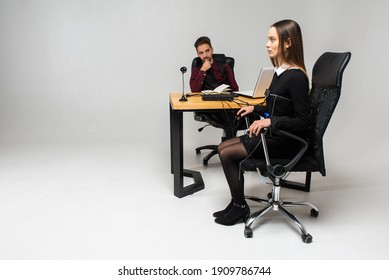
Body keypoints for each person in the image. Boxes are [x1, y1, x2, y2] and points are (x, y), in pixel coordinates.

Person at [214, 19, 311, 226]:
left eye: (272, 39)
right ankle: (236, 203)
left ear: (288, 43)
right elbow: (276, 105)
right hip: (276, 134)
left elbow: (303, 122)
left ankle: (240, 207)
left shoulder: (296, 78)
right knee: (223, 147)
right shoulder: (280, 74)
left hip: (286, 140)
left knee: (227, 153)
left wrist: (269, 122)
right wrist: (255, 109)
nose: (267, 44)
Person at [190, 36, 240, 139]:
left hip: (225, 102)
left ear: (212, 50)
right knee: (230, 119)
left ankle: (237, 146)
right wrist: (203, 71)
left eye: (207, 51)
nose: (205, 55)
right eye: (201, 53)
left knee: (252, 115)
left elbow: (235, 88)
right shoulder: (197, 68)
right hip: (208, 105)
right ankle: (229, 150)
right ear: (198, 54)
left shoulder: (224, 66)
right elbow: (194, 91)